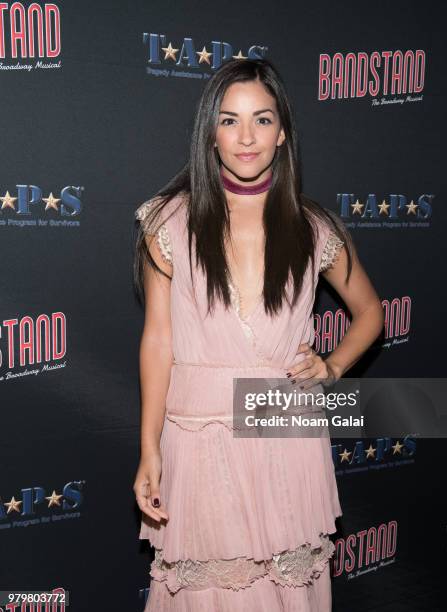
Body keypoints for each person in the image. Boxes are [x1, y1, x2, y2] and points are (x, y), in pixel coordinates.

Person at [132, 57, 384, 611]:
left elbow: (371, 312)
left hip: (282, 431)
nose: (246, 137)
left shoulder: (315, 229)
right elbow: (158, 341)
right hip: (197, 440)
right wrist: (150, 447)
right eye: (229, 120)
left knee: (286, 592)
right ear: (211, 135)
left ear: (283, 133)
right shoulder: (167, 223)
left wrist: (333, 366)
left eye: (262, 120)